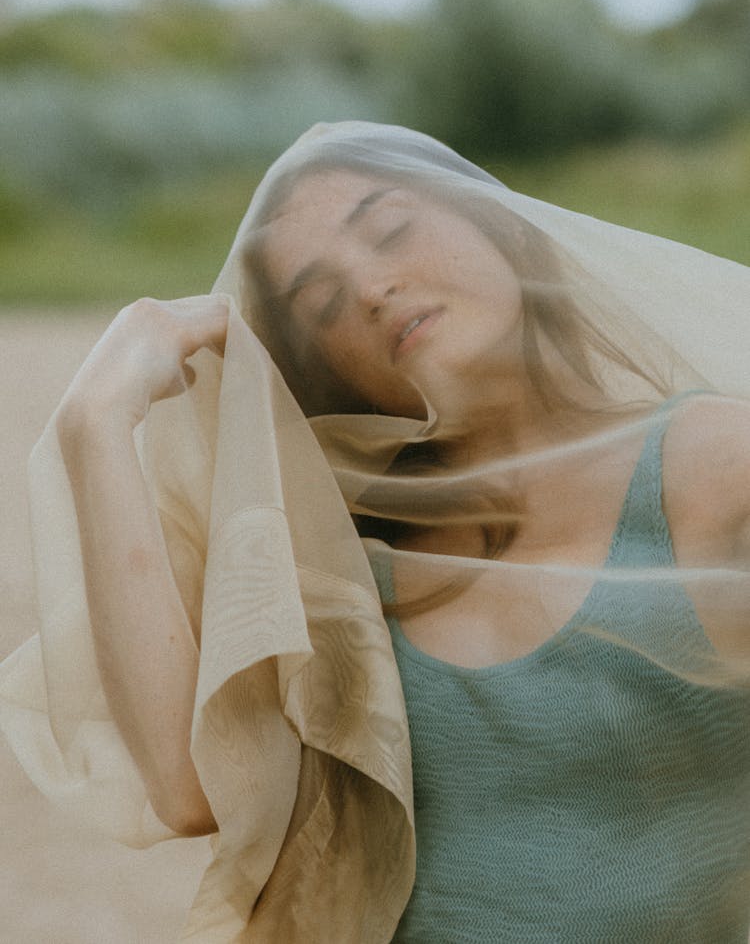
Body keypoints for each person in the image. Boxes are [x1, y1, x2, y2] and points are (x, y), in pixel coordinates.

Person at [1, 121, 749, 942]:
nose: (369, 286)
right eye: (320, 302)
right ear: (325, 369)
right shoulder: (341, 567)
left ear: (501, 223)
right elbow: (188, 788)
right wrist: (95, 421)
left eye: (392, 228)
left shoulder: (711, 466)